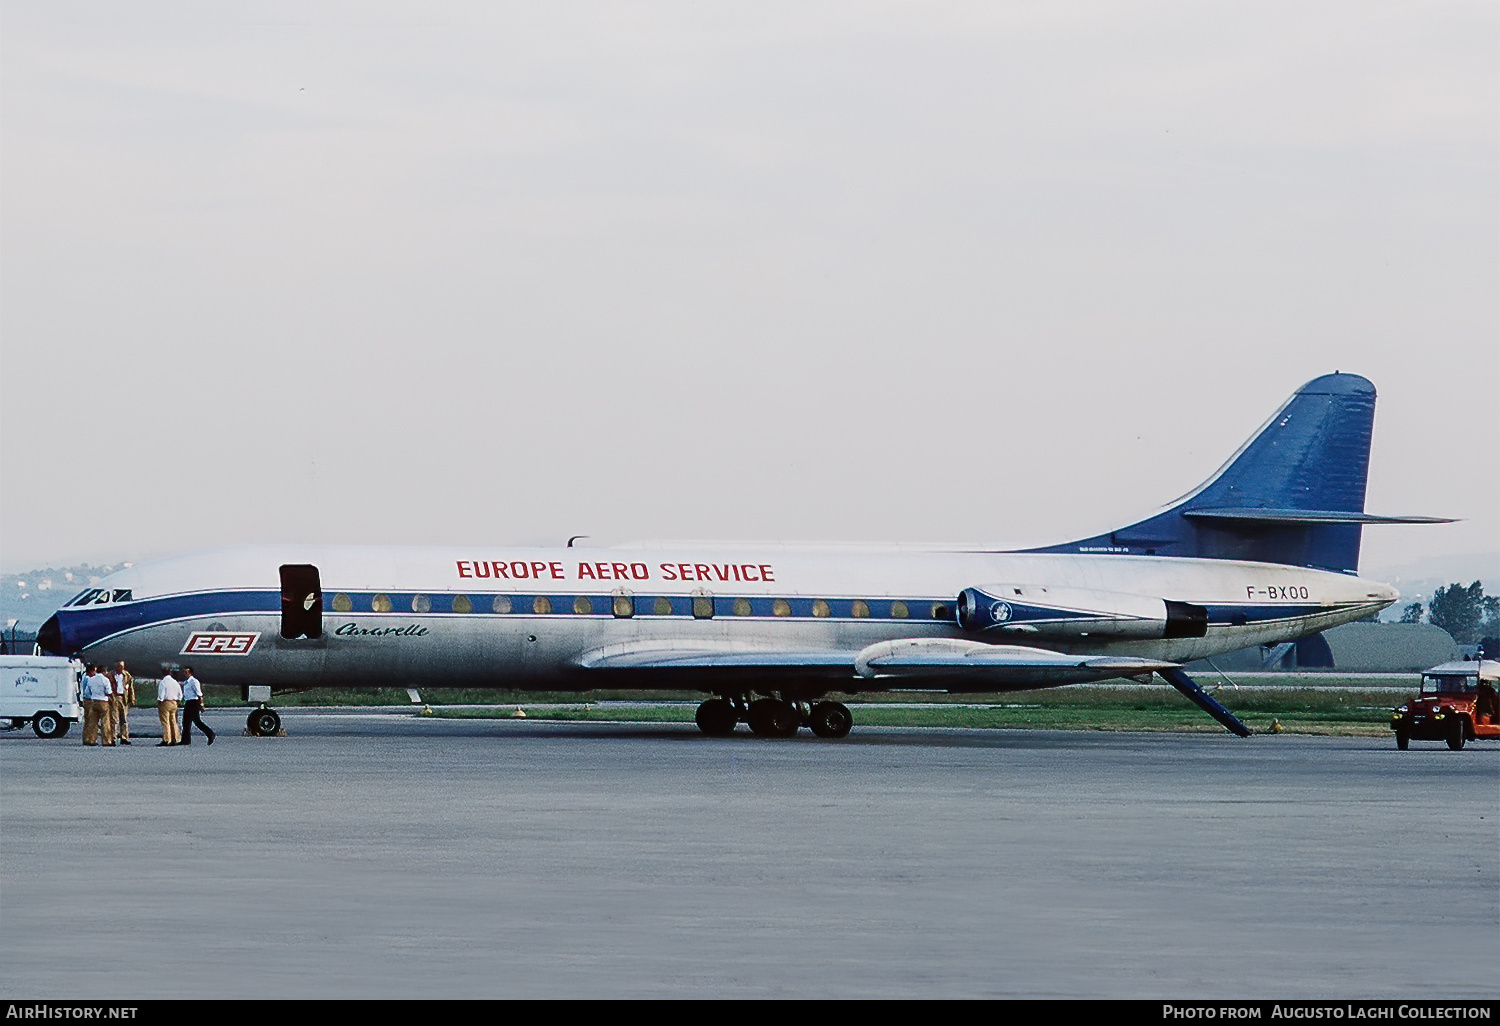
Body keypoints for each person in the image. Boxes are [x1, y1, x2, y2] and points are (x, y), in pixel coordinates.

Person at [179, 667, 214, 745]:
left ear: (190, 673)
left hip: (194, 703)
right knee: (185, 722)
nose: (185, 674)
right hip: (188, 702)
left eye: (186, 672)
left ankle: (210, 734)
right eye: (184, 672)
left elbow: (199, 694)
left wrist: (201, 705)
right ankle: (185, 740)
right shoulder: (186, 682)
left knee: (197, 721)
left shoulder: (194, 682)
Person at [81, 665, 114, 746]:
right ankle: (106, 741)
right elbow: (108, 692)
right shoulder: (105, 680)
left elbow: (87, 691)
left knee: (92, 722)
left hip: (93, 701)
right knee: (105, 722)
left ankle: (90, 740)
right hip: (103, 701)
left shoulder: (91, 680)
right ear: (103, 671)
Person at [111, 661, 135, 745]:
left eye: (122, 667)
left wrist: (132, 698)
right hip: (114, 698)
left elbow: (130, 687)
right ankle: (113, 738)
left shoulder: (127, 676)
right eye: (119, 667)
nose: (121, 669)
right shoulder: (111, 675)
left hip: (123, 698)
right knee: (114, 719)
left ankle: (124, 737)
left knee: (124, 719)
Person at [157, 670, 183, 746]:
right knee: (173, 721)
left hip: (166, 702)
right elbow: (180, 694)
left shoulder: (163, 682)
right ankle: (176, 738)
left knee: (165, 721)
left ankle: (166, 739)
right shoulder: (175, 682)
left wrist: (159, 701)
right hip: (174, 702)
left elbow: (162, 694)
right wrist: (178, 701)